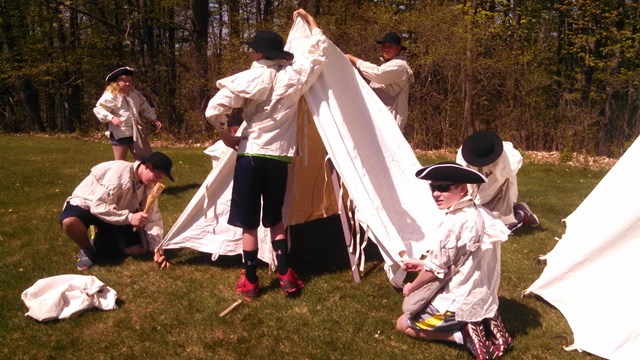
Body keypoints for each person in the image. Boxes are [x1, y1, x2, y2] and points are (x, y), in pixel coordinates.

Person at [204, 9, 327, 299]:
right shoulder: (295, 76)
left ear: (259, 53)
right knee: (275, 218)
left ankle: (250, 281)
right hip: (279, 158)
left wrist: (225, 133)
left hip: (251, 157)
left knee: (249, 222)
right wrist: (312, 23)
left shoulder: (250, 78)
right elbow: (318, 54)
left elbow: (214, 109)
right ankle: (285, 275)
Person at [396, 162, 513, 360]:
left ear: (462, 189)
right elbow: (462, 259)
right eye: (433, 188)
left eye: (443, 187)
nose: (436, 194)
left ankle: (461, 336)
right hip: (484, 295)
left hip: (460, 300)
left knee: (402, 323)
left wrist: (411, 287)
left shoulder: (454, 222)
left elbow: (435, 271)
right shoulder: (481, 213)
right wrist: (424, 263)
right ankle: (487, 326)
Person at [60, 152, 174, 271]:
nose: (156, 181)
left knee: (137, 250)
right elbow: (97, 206)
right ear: (147, 166)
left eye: (160, 178)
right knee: (70, 222)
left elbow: (153, 217)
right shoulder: (119, 174)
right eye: (156, 176)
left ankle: (99, 234)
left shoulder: (149, 186)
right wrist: (130, 218)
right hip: (87, 205)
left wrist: (157, 248)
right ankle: (87, 248)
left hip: (115, 213)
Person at [456, 130, 539, 231]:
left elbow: (490, 188)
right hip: (479, 191)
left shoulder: (506, 162)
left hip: (501, 189)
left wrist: (475, 205)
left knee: (498, 228)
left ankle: (520, 213)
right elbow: (464, 179)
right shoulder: (464, 153)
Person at [346, 32, 414, 131]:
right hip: (381, 117)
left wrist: (354, 59)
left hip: (391, 120)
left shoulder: (399, 65)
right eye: (384, 46)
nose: (386, 49)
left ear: (398, 49)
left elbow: (378, 74)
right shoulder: (389, 65)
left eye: (390, 46)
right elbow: (377, 85)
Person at [93, 66, 162, 161]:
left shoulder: (135, 94)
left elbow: (144, 106)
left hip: (135, 132)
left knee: (143, 161)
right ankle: (119, 176)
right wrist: (111, 118)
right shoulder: (112, 95)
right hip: (120, 133)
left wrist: (154, 118)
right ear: (117, 82)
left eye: (130, 80)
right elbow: (99, 109)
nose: (128, 83)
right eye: (124, 81)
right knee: (119, 163)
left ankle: (138, 176)